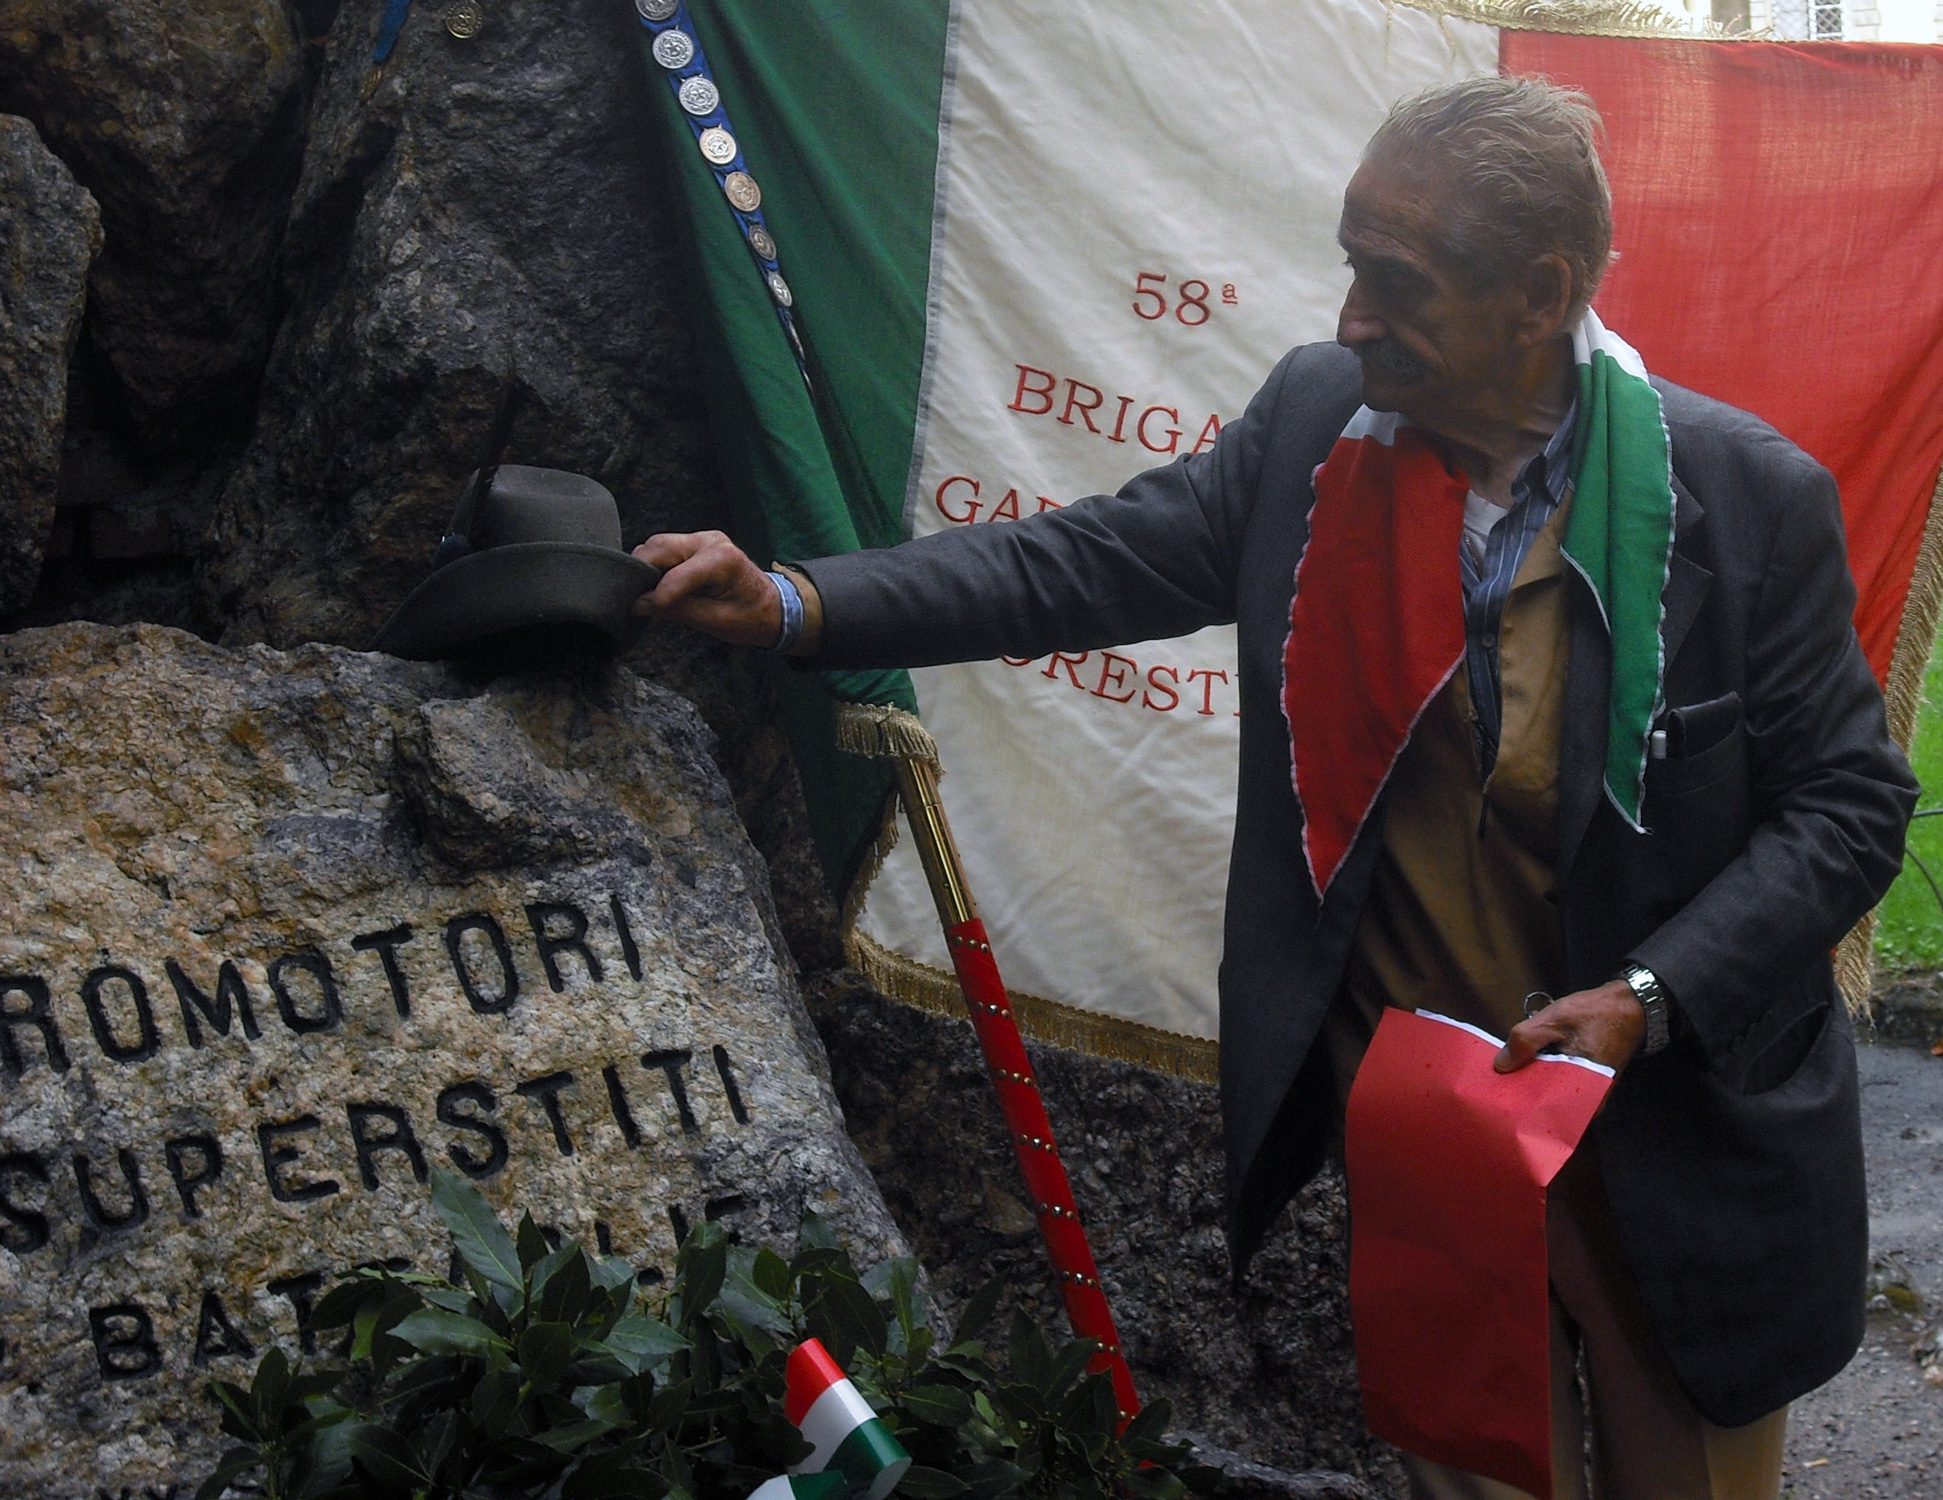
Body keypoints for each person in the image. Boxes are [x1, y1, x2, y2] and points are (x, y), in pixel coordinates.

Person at [629, 76, 1915, 1500]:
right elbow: (1083, 562)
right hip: (1438, 1142)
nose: (1352, 318)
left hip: (1676, 1144)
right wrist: (797, 601)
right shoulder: (1317, 424)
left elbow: (1849, 809)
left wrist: (1649, 999)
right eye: (1351, 267)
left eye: (1395, 282)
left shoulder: (1746, 497)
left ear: (1541, 295)